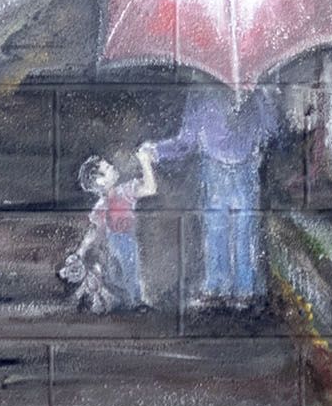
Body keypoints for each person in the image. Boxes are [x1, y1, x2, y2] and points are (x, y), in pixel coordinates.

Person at [150, 86, 282, 307]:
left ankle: (243, 290)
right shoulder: (201, 94)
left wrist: (266, 102)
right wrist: (157, 150)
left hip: (244, 170)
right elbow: (186, 141)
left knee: (241, 231)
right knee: (217, 230)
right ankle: (218, 288)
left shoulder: (256, 94)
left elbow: (272, 131)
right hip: (215, 170)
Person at [62, 148, 155, 313]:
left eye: (109, 165)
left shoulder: (125, 191)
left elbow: (150, 188)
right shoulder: (102, 205)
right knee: (116, 274)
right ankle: (103, 295)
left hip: (125, 240)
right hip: (112, 244)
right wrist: (80, 252)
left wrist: (145, 163)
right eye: (107, 168)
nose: (113, 167)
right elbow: (94, 231)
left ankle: (133, 300)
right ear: (100, 182)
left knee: (128, 270)